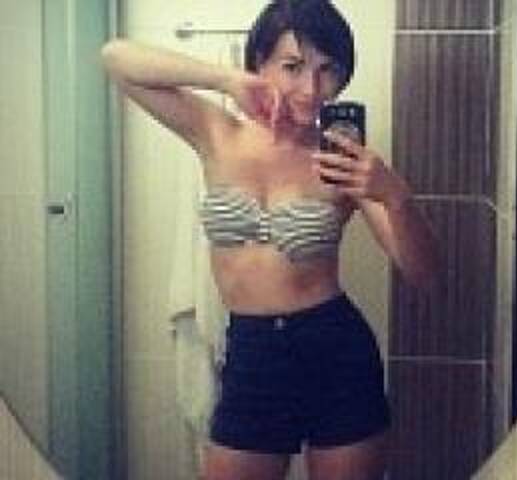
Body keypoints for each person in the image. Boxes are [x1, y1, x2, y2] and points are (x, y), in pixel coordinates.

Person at [101, 1, 438, 479]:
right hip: (252, 356)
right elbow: (116, 57)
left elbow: (423, 274)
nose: (311, 88)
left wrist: (396, 197)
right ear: (260, 63)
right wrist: (225, 80)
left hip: (336, 353)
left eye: (328, 70)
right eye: (293, 67)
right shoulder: (217, 133)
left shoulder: (344, 161)